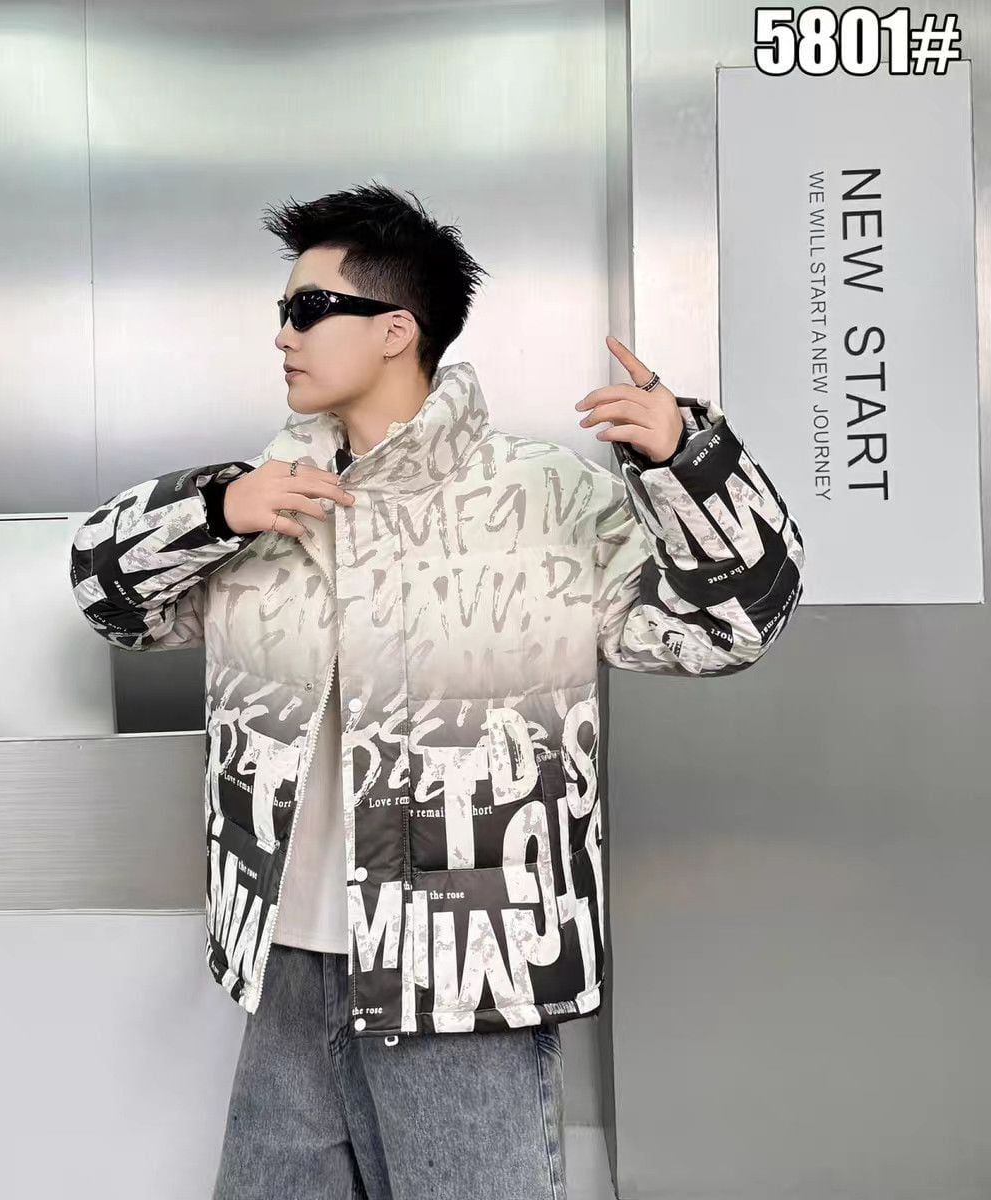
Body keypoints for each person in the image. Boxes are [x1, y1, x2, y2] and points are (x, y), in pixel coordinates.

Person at [69, 182, 806, 1200]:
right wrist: (217, 508)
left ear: (395, 330)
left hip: (463, 972)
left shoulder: (543, 497)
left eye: (308, 309)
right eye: (282, 310)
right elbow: (107, 599)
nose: (282, 334)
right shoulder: (269, 498)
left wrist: (690, 460)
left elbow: (737, 624)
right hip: (289, 963)